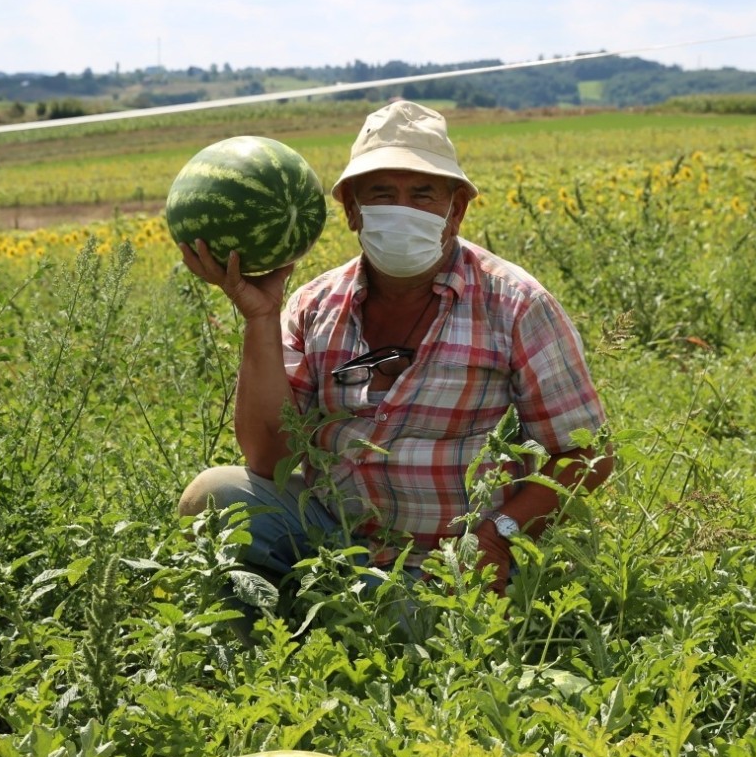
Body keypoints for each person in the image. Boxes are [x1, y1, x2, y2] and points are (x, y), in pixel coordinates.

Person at [178, 100, 611, 608]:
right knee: (212, 497)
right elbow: (270, 457)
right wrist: (259, 317)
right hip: (331, 540)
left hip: (450, 564)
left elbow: (586, 455)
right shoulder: (315, 305)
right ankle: (306, 608)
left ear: (457, 209)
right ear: (351, 210)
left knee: (390, 615)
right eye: (382, 194)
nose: (403, 209)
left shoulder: (515, 304)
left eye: (422, 194)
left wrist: (499, 535)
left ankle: (309, 610)